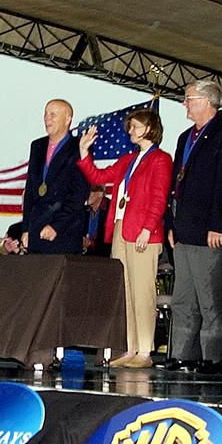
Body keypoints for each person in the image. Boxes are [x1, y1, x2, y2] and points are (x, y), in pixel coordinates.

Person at [78, 107, 172, 369]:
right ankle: (131, 347)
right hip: (121, 228)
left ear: (150, 129)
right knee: (126, 290)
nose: (130, 131)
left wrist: (148, 227)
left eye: (135, 126)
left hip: (143, 232)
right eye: (130, 126)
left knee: (143, 291)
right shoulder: (128, 160)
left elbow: (159, 197)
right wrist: (85, 152)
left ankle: (145, 349)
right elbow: (98, 177)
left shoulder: (160, 160)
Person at [163, 80, 222, 375]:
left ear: (208, 101)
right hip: (183, 229)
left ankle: (215, 358)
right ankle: (184, 354)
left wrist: (217, 224)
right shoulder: (186, 137)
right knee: (183, 298)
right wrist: (169, 223)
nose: (184, 104)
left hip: (208, 230)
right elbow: (176, 184)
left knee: (212, 298)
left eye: (189, 99)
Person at [21, 99, 89, 254]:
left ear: (67, 119)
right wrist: (26, 228)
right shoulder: (37, 146)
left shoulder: (79, 148)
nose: (47, 118)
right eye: (45, 114)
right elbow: (30, 191)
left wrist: (56, 226)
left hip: (65, 233)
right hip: (37, 230)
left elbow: (79, 195)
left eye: (53, 114)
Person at [82, 187, 111, 257]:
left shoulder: (109, 209)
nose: (86, 195)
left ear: (100, 194)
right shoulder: (84, 210)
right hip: (85, 255)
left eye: (90, 192)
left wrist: (91, 243)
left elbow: (109, 236)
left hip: (105, 256)